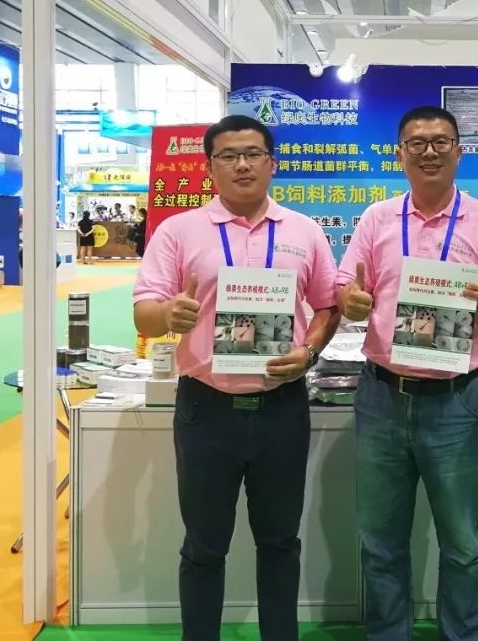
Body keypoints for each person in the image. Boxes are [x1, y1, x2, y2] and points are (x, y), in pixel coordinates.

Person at [133, 114, 340, 641]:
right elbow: (144, 314)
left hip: (282, 409)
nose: (242, 165)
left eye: (253, 154)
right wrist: (168, 314)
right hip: (206, 410)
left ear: (272, 163)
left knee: (280, 543)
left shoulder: (304, 231)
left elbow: (327, 305)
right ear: (210, 167)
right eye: (228, 155)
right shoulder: (178, 232)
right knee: (204, 547)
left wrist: (310, 351)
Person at [335, 105, 478, 641]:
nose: (429, 151)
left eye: (441, 142)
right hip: (382, 395)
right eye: (416, 143)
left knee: (461, 542)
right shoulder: (376, 219)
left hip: (455, 401)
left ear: (459, 152)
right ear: (399, 154)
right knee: (380, 540)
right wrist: (352, 300)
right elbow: (346, 289)